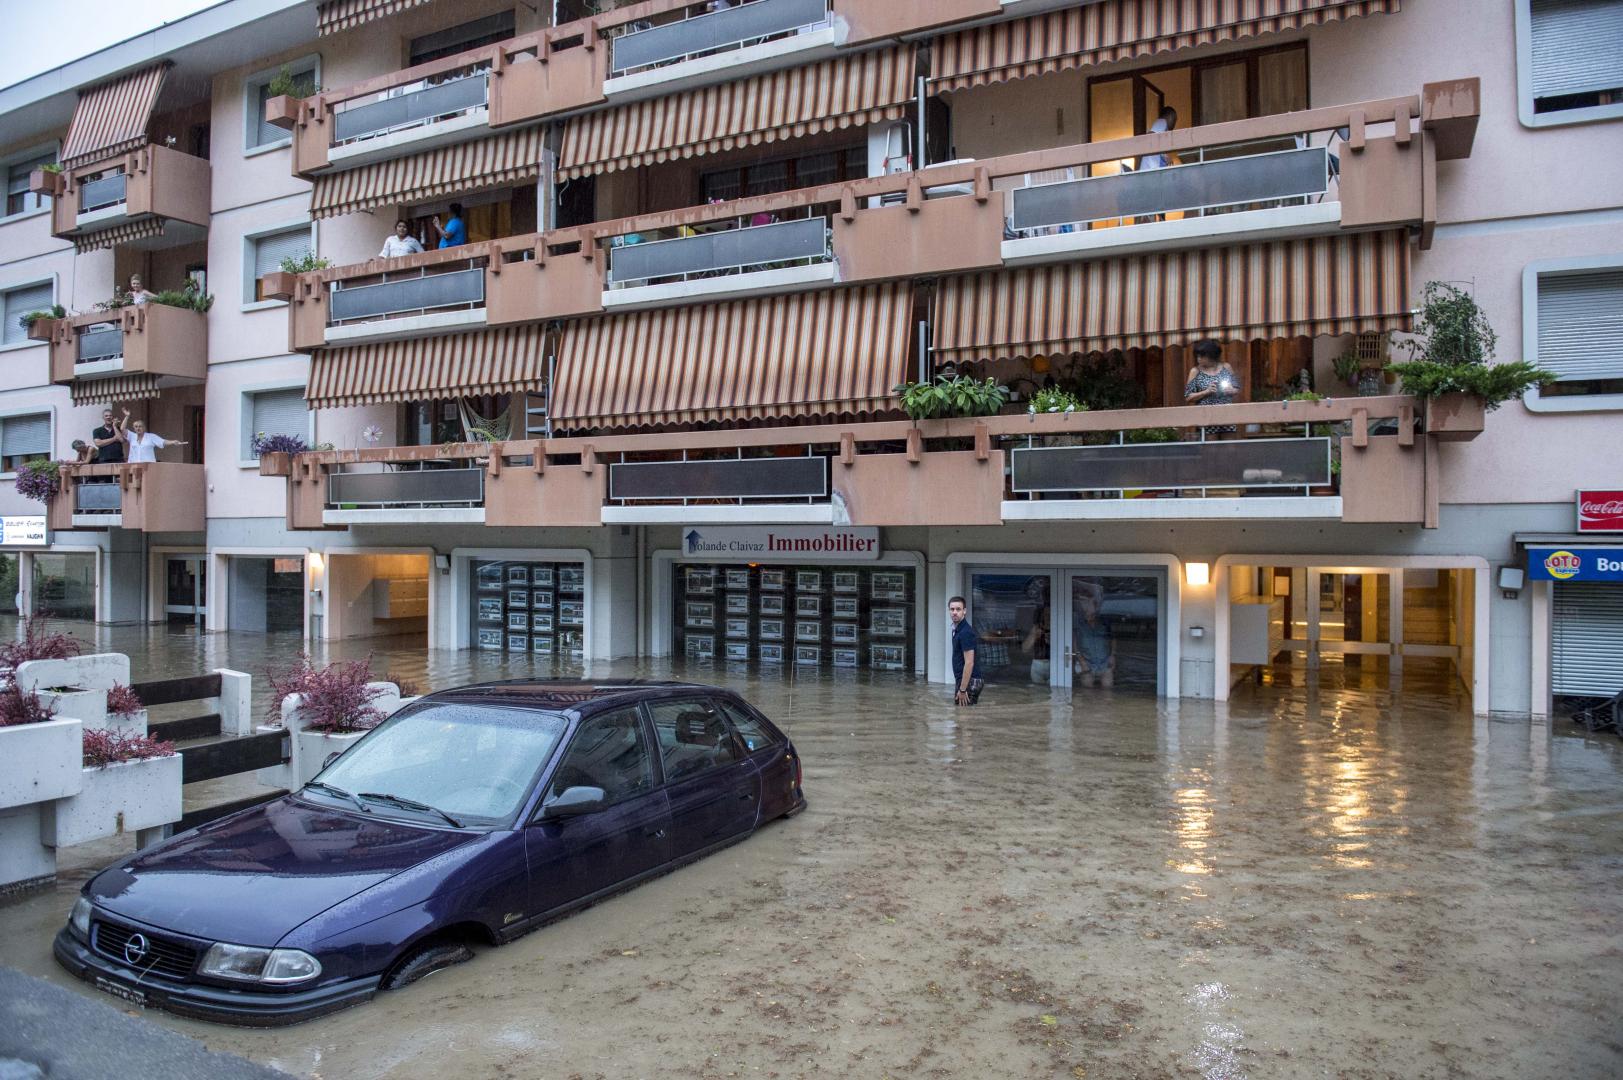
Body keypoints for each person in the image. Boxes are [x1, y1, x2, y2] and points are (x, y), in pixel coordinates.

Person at [1184, 339, 1237, 437]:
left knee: (1230, 447)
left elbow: (1236, 388)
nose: (1198, 359)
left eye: (1202, 356)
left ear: (1211, 355)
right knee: (1210, 448)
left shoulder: (1226, 367)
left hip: (1226, 414)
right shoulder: (1195, 371)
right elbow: (1188, 397)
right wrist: (1206, 392)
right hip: (1206, 416)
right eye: (1197, 356)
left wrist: (1231, 390)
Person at [1073, 583, 1116, 689]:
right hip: (1086, 662)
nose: (1085, 605)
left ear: (1095, 604)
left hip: (1104, 661)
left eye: (1088, 602)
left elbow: (1113, 638)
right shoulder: (1077, 621)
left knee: (1108, 694)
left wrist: (1112, 655)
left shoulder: (1104, 620)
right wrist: (1081, 660)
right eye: (1083, 602)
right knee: (1087, 694)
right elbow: (1073, 641)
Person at [118, 410, 186, 463]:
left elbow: (162, 442)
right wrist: (127, 416)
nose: (138, 428)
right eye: (136, 427)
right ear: (134, 428)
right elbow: (122, 429)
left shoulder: (151, 437)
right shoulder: (132, 436)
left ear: (144, 428)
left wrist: (173, 442)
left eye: (140, 426)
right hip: (134, 465)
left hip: (148, 466)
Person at [949, 595, 980, 706]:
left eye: (958, 609)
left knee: (963, 718)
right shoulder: (957, 629)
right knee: (961, 716)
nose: (955, 612)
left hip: (969, 681)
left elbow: (969, 662)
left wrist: (962, 690)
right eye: (952, 609)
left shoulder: (965, 632)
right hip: (964, 680)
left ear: (964, 611)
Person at [1137, 107, 1177, 171]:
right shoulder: (1162, 122)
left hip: (1152, 168)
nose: (1175, 123)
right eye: (1174, 119)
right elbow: (1151, 135)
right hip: (1151, 167)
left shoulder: (1164, 128)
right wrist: (1165, 156)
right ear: (1170, 117)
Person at [1022, 606, 1051, 684]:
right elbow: (1025, 649)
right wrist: (1034, 636)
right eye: (1046, 615)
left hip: (1054, 664)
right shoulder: (1036, 628)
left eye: (1050, 615)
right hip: (1038, 664)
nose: (1048, 617)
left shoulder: (1058, 628)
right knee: (1038, 692)